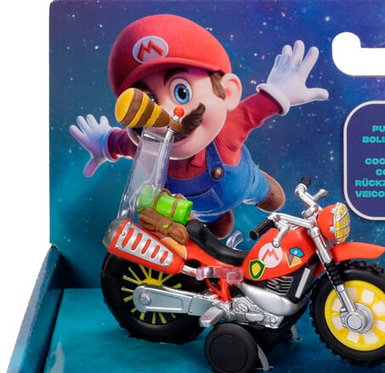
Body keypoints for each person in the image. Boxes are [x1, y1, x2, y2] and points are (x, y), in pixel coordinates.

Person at [70, 14, 328, 238]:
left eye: (181, 92)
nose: (164, 114)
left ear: (228, 92)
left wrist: (280, 92)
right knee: (217, 228)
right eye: (147, 102)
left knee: (272, 197)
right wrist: (102, 144)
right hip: (198, 211)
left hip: (244, 182)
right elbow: (119, 142)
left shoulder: (229, 130)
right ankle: (216, 217)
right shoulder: (148, 148)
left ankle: (260, 191)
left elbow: (256, 108)